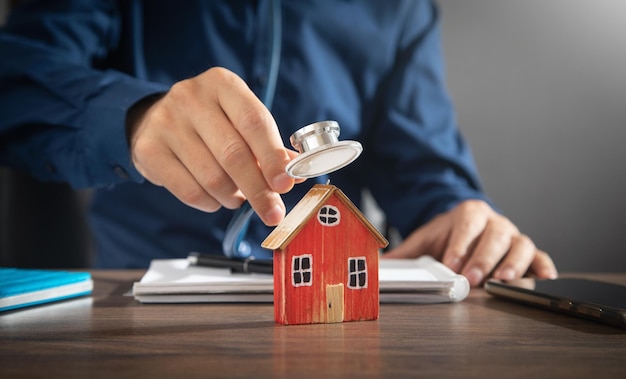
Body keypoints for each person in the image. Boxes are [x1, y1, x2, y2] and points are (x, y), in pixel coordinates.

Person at [0, 0, 557, 286]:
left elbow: (429, 179)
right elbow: (14, 79)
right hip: (140, 297)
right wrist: (136, 118)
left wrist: (465, 218)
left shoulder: (397, 9)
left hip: (334, 319)